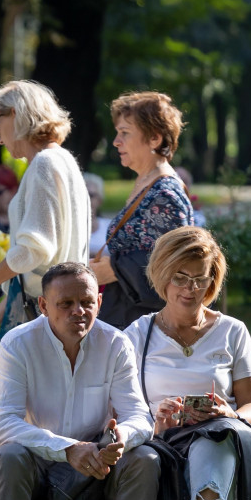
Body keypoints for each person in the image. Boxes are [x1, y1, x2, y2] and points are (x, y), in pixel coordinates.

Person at [0, 262, 157, 500]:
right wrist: (67, 449)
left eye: (86, 302)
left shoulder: (115, 343)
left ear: (99, 300)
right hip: (37, 462)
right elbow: (2, 424)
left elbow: (140, 416)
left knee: (144, 460)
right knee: (8, 456)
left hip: (98, 463)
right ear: (43, 306)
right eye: (65, 304)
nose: (78, 311)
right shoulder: (19, 344)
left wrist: (119, 438)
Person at [124, 227, 251, 500]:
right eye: (180, 278)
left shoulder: (232, 330)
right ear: (162, 276)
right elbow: (121, 405)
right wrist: (156, 419)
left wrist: (231, 413)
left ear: (213, 279)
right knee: (216, 444)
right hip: (163, 445)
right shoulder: (138, 334)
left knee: (218, 436)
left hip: (222, 440)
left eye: (201, 278)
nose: (191, 288)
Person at [0, 80, 91, 387]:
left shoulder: (43, 164)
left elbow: (34, 251)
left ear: (14, 115)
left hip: (44, 319)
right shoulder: (64, 161)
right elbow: (41, 266)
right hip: (58, 312)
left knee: (8, 419)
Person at [90, 92, 193, 329]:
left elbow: (172, 264)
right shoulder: (147, 184)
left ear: (154, 139)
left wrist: (113, 269)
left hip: (148, 330)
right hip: (132, 320)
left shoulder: (164, 195)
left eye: (125, 133)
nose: (116, 141)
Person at [85, 173, 110, 258]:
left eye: (91, 195)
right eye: (82, 194)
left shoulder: (111, 228)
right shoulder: (67, 229)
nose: (86, 199)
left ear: (100, 200)